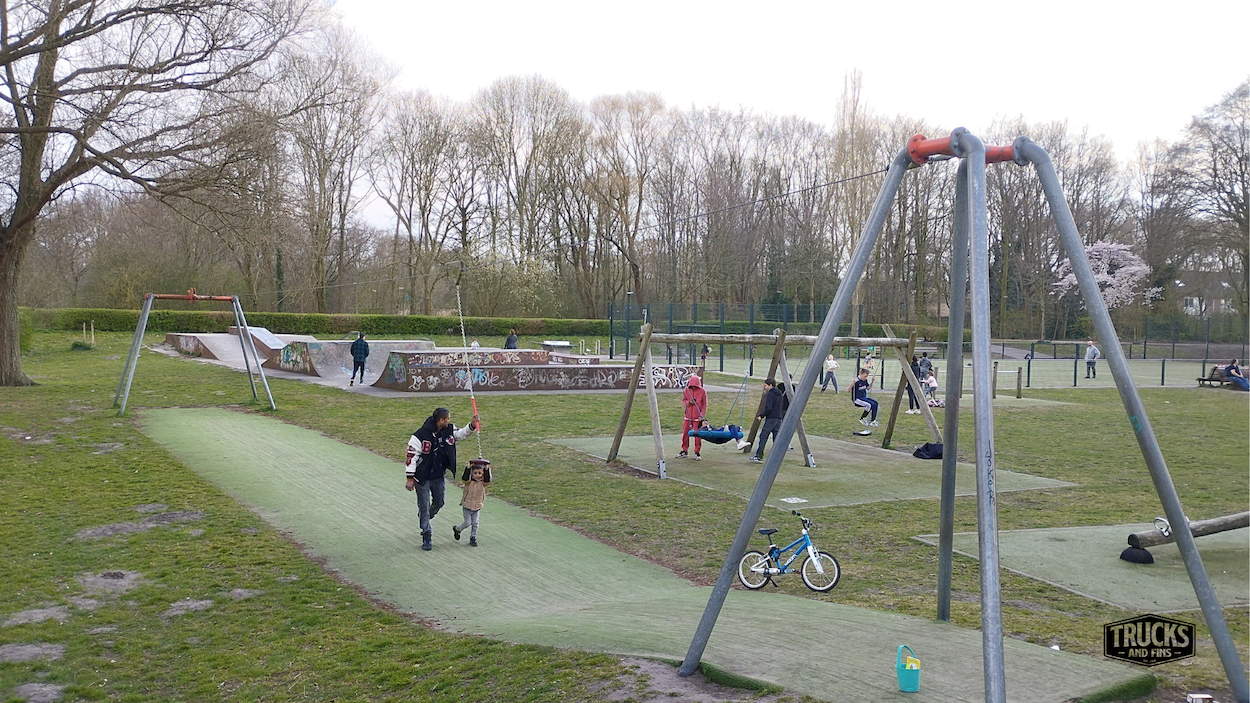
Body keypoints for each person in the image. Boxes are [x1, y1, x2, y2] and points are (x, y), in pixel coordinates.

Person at [405, 407, 479, 551]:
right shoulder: (419, 436)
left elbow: (461, 434)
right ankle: (426, 534)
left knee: (439, 502)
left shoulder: (449, 430)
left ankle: (425, 517)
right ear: (441, 420)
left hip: (438, 476)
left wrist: (471, 425)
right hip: (422, 479)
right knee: (424, 507)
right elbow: (411, 457)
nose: (449, 421)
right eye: (447, 419)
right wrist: (409, 478)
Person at [453, 463, 489, 547]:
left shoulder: (483, 483)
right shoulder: (468, 482)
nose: (477, 475)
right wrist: (468, 468)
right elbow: (465, 478)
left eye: (480, 473)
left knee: (475, 523)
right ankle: (457, 529)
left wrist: (487, 469)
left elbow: (487, 480)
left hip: (477, 506)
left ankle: (473, 538)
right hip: (467, 505)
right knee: (467, 522)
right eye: (475, 473)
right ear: (472, 473)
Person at [750, 378, 786, 463]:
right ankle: (777, 457)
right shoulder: (779, 393)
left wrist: (761, 415)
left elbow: (768, 407)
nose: (765, 387)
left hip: (771, 418)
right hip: (779, 418)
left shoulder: (770, 394)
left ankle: (759, 456)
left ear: (770, 385)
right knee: (776, 437)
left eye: (765, 386)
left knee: (763, 436)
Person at [678, 374, 707, 460]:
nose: (693, 387)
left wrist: (702, 415)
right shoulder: (686, 390)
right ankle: (684, 450)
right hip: (688, 416)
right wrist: (689, 403)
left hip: (697, 417)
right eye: (692, 386)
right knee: (685, 434)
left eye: (695, 386)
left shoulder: (702, 391)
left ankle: (697, 452)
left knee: (697, 435)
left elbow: (704, 404)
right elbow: (684, 400)